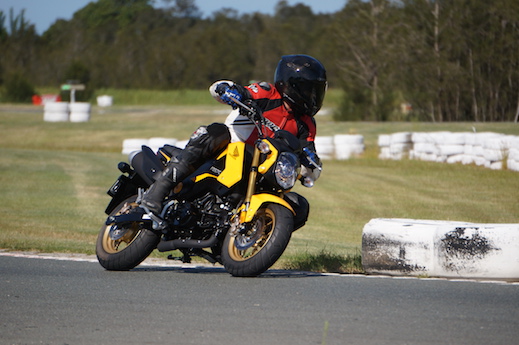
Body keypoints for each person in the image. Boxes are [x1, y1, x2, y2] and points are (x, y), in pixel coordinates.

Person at [139, 54, 327, 223]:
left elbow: (309, 153)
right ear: (291, 85)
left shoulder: (307, 124)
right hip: (233, 149)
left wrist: (310, 163)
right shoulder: (267, 93)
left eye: (316, 92)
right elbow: (231, 90)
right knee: (216, 132)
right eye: (309, 90)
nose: (313, 97)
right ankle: (158, 191)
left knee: (299, 206)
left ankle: (255, 235)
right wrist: (228, 90)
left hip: (265, 168)